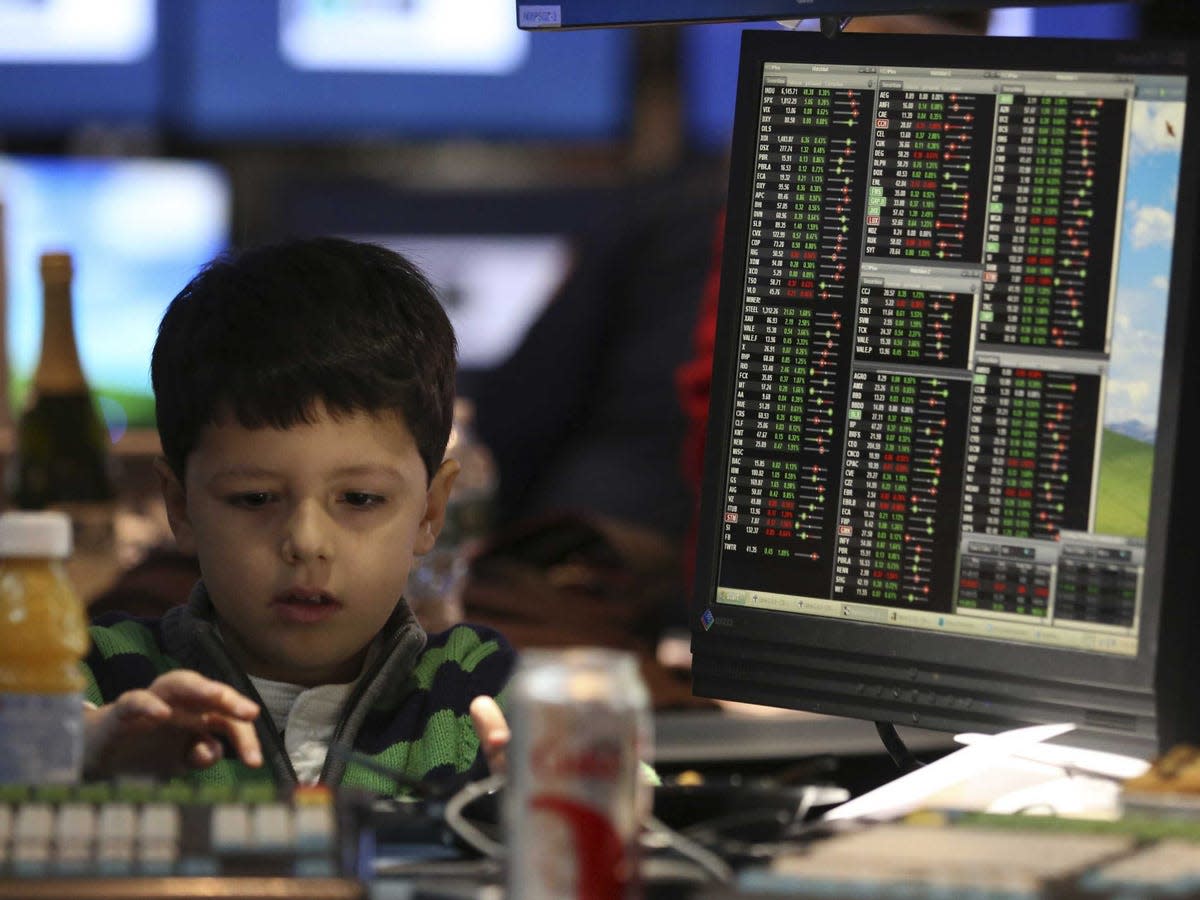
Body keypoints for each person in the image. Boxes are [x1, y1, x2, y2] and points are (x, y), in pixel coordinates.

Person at [81, 237, 513, 794]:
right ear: (180, 505)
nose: (307, 542)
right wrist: (78, 754)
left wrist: (565, 786)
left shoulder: (477, 688)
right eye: (255, 499)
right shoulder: (104, 678)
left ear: (430, 511)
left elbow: (646, 810)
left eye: (359, 499)